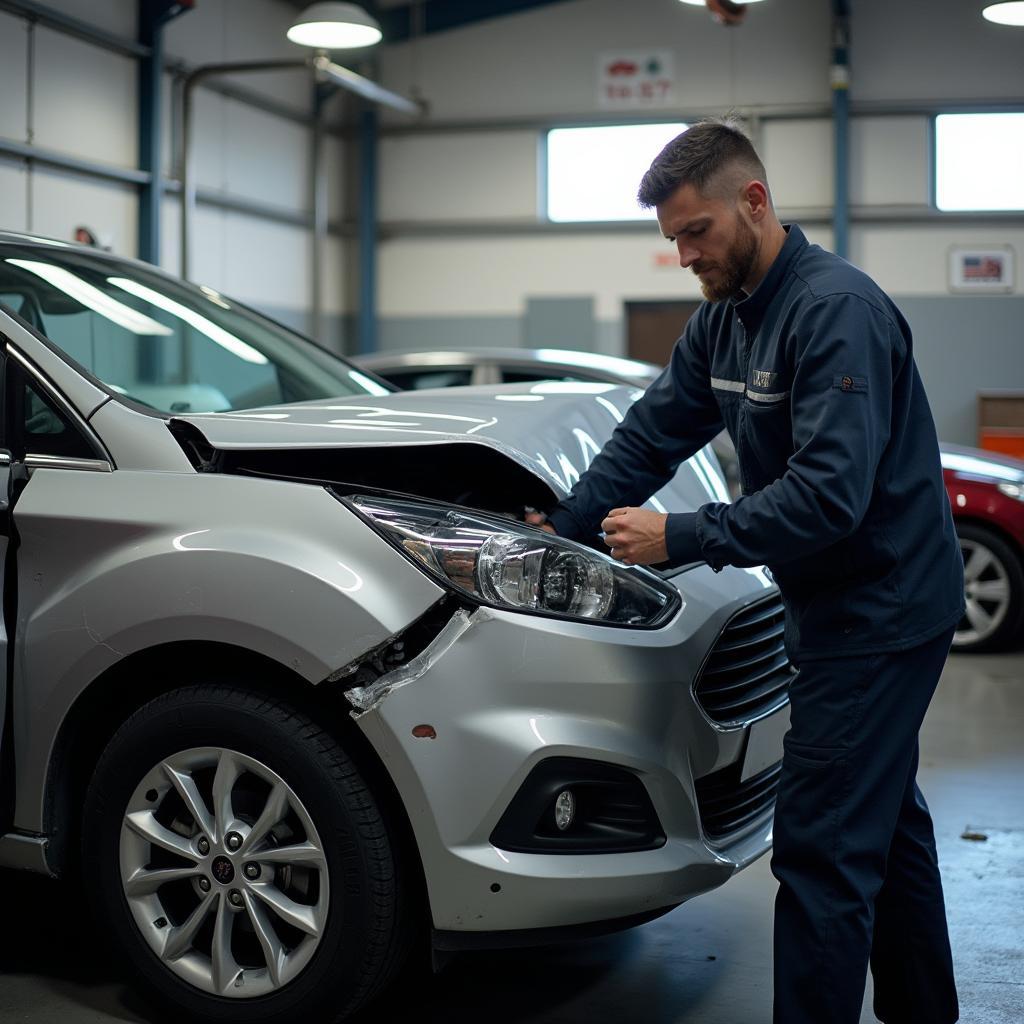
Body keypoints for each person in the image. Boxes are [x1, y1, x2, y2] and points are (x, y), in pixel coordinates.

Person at [529, 119, 964, 1024]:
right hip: (831, 604)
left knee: (821, 846)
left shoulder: (834, 310)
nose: (685, 255)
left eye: (698, 232)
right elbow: (653, 432)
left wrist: (681, 535)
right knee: (884, 819)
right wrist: (560, 527)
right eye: (674, 240)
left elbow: (830, 497)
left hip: (881, 610)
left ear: (754, 203)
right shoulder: (723, 324)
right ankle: (926, 1010)